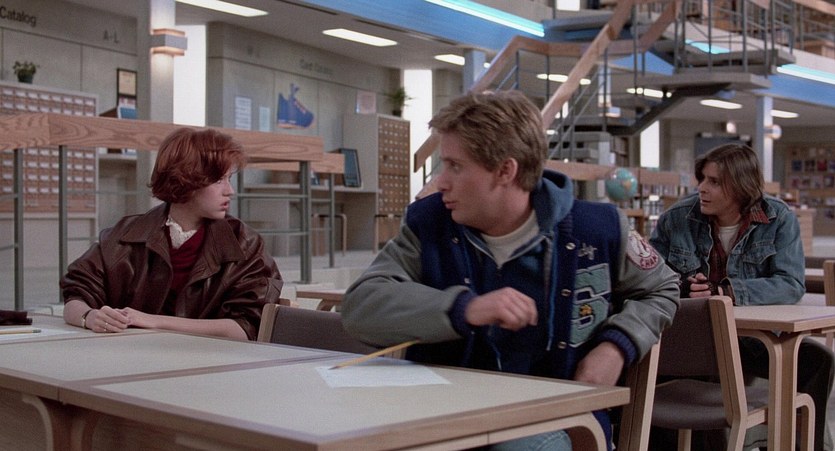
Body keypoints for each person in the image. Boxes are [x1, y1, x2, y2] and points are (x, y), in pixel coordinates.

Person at [341, 90, 680, 450]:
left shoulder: (600, 229)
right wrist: (464, 308)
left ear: (506, 170)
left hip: (559, 422)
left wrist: (616, 347)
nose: (441, 182)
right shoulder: (428, 225)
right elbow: (361, 305)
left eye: (455, 166)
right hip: (444, 419)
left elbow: (662, 288)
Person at [649, 143, 834, 451]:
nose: (702, 188)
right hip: (691, 340)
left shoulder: (777, 218)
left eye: (714, 182)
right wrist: (683, 287)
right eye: (702, 179)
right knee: (690, 370)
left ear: (740, 186)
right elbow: (649, 276)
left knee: (818, 361)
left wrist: (727, 292)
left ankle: (799, 444)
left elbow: (790, 283)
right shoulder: (678, 218)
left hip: (747, 339)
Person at [61, 127, 283, 341]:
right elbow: (76, 295)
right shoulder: (126, 236)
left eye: (229, 179)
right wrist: (90, 317)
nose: (230, 191)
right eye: (218, 180)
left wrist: (153, 321)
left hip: (214, 361)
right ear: (187, 179)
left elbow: (247, 328)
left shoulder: (244, 243)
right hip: (131, 356)